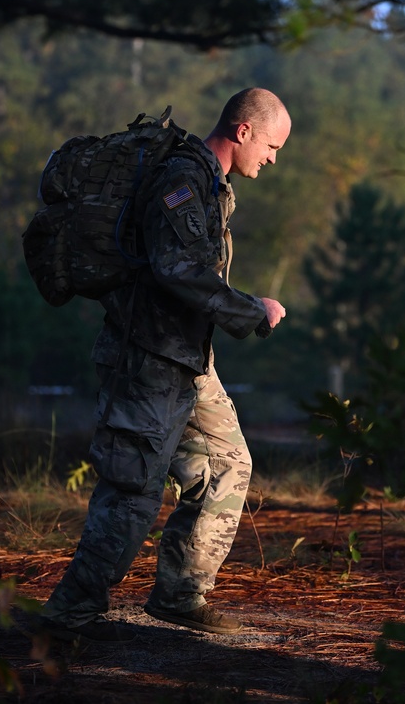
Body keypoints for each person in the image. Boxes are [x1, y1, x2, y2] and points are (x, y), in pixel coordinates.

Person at [39, 88, 291, 643]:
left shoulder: (207, 182)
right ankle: (68, 615)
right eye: (271, 145)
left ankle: (179, 593)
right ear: (244, 131)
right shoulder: (182, 178)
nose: (272, 159)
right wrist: (252, 310)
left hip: (186, 360)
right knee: (132, 491)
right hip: (147, 360)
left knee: (227, 463)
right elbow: (177, 268)